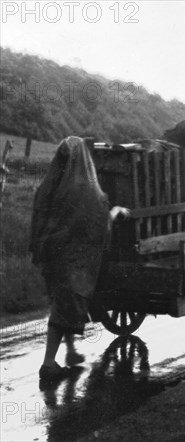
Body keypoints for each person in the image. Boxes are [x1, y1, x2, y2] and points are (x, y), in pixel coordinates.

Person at [30, 136, 129, 381]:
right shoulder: (85, 189)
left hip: (52, 257)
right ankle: (49, 363)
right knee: (65, 307)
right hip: (75, 260)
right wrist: (117, 211)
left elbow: (40, 218)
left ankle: (67, 353)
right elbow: (100, 220)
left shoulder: (49, 186)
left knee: (60, 304)